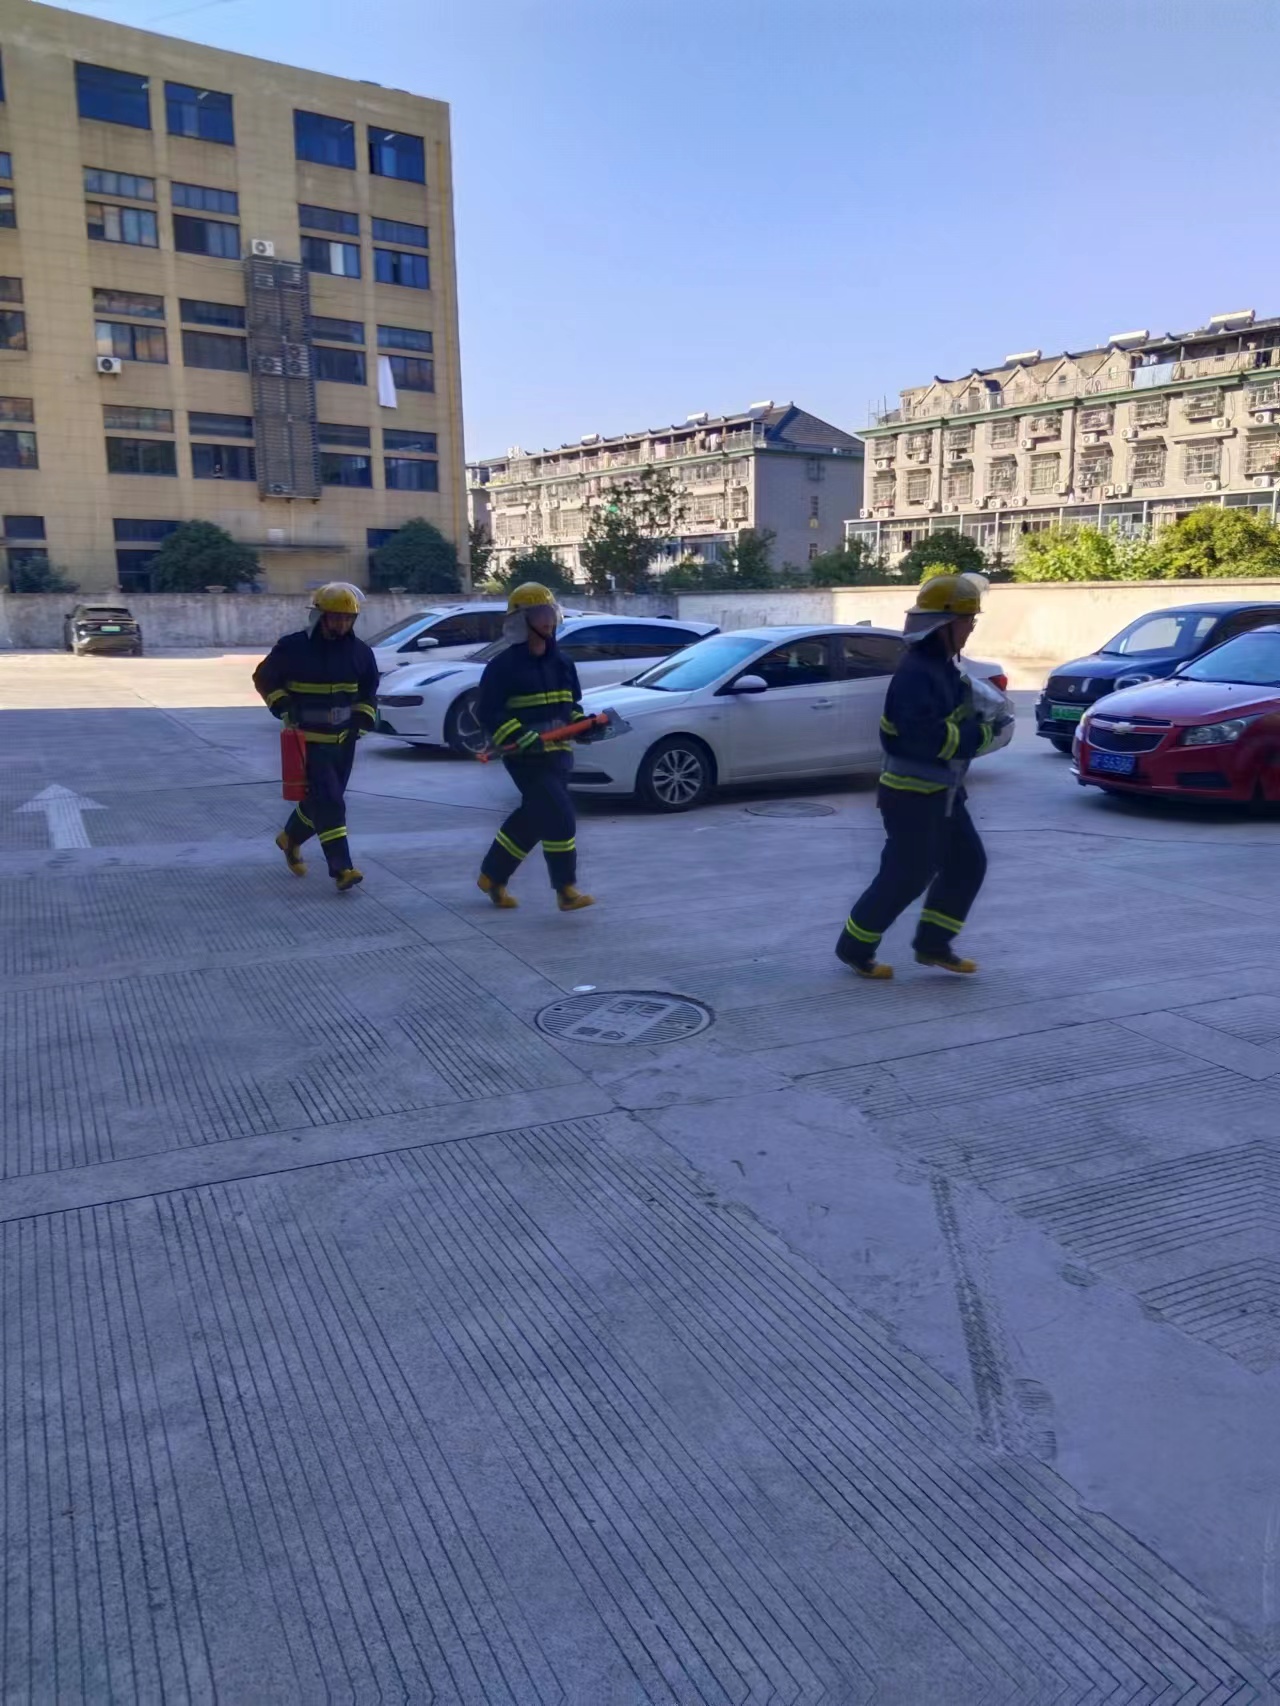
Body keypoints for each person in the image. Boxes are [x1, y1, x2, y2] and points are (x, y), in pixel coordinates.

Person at [837, 571, 1009, 979]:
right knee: (907, 874)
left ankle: (933, 945)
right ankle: (854, 947)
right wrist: (982, 734)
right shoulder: (917, 673)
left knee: (967, 863)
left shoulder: (941, 667)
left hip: (943, 792)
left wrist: (977, 711)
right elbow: (923, 738)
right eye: (967, 620)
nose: (971, 628)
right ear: (944, 625)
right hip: (911, 796)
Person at [475, 581, 594, 912]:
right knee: (559, 814)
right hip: (524, 757)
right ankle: (565, 890)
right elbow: (487, 712)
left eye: (550, 613)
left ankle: (492, 876)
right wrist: (516, 733)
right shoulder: (502, 667)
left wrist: (585, 724)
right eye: (540, 614)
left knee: (533, 818)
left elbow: (570, 706)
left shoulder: (563, 663)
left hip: (559, 756)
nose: (548, 621)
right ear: (520, 621)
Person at [253, 582, 378, 892]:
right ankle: (342, 869)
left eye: (347, 619)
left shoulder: (361, 653)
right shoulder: (293, 648)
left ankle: (289, 839)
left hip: (344, 742)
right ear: (319, 616)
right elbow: (264, 678)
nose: (342, 624)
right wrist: (283, 706)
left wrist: (363, 719)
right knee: (332, 802)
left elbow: (368, 692)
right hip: (307, 740)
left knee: (318, 802)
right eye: (335, 617)